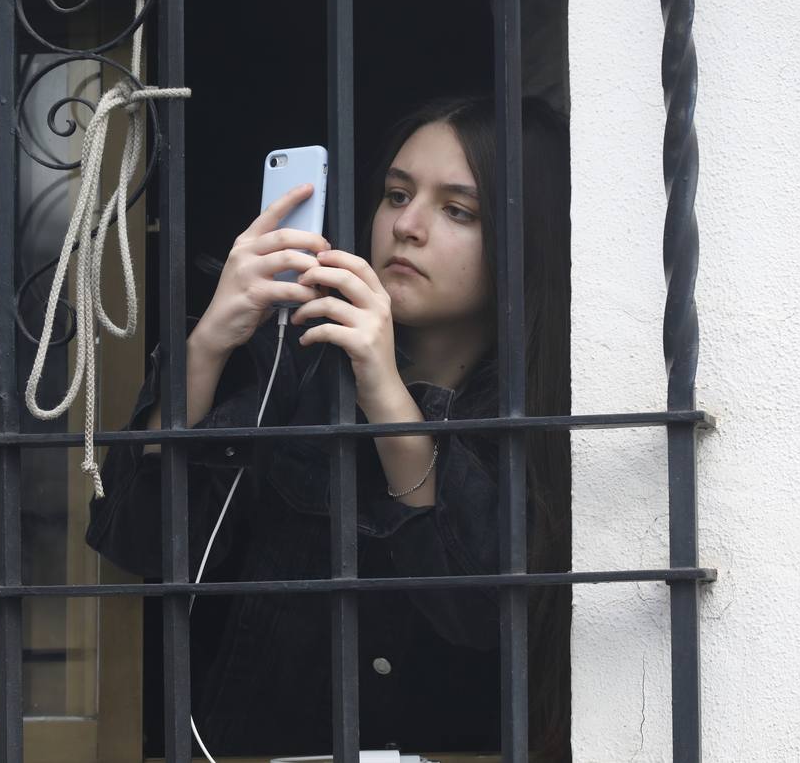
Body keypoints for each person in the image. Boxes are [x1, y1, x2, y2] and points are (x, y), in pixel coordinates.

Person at [86, 96, 571, 760]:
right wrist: (207, 348)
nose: (408, 226)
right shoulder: (297, 360)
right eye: (397, 195)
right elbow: (139, 542)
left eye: (458, 210)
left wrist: (387, 394)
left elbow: (481, 612)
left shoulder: (554, 406)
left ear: (526, 235)